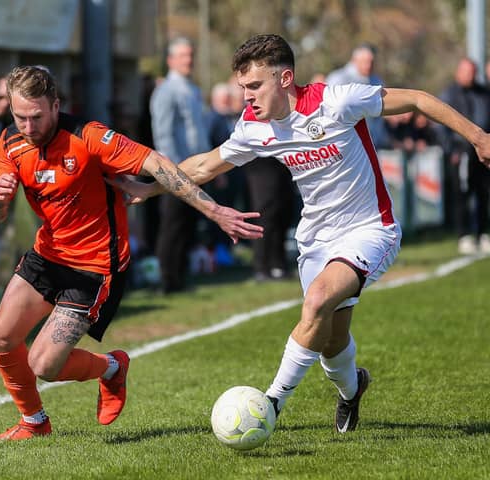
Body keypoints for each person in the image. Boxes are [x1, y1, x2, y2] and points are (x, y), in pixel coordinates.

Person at [113, 34, 490, 434]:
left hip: (369, 229)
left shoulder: (337, 101)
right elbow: (206, 165)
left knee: (317, 302)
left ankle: (270, 404)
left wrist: (480, 137)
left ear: (285, 78)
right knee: (330, 339)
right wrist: (151, 188)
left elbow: (416, 99)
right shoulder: (254, 127)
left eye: (255, 86)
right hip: (315, 239)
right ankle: (352, 389)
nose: (247, 97)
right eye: (243, 88)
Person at [0, 65, 262, 441]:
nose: (28, 127)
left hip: (95, 267)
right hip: (47, 255)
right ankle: (34, 423)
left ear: (55, 105)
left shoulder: (89, 137)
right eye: (20, 118)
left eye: (36, 117)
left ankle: (111, 366)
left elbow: (159, 166)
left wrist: (215, 212)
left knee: (43, 364)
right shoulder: (10, 143)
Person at [150, 36, 211, 293]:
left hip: (195, 168)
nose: (189, 60)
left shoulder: (192, 89)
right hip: (176, 170)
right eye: (183, 56)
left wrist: (209, 163)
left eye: (190, 55)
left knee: (187, 223)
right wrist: (173, 171)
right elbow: (163, 133)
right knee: (172, 224)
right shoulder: (166, 91)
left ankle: (181, 275)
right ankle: (168, 278)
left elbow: (198, 131)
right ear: (171, 60)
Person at [438, 57, 490, 254]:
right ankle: (464, 234)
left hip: (483, 153)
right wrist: (451, 149)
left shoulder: (484, 94)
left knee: (483, 193)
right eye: (466, 72)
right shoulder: (449, 95)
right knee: (462, 193)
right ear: (458, 72)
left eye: (472, 72)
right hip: (461, 153)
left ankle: (483, 233)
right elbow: (440, 127)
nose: (469, 76)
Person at [326, 43, 388, 149]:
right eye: (365, 62)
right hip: (344, 144)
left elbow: (380, 115)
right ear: (354, 60)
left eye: (371, 62)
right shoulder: (338, 79)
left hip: (372, 143)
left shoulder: (376, 81)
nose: (368, 66)